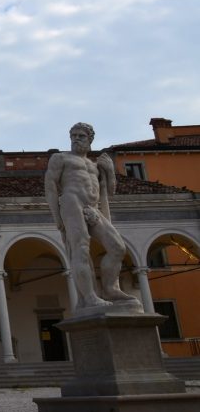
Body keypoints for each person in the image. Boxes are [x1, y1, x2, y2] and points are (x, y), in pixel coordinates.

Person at [44, 122, 136, 309]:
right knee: (81, 249)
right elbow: (50, 187)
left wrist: (110, 171)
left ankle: (110, 288)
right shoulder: (60, 158)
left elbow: (109, 193)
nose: (76, 139)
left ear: (90, 139)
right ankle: (89, 297)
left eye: (81, 136)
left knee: (118, 247)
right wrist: (58, 219)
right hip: (72, 202)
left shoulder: (95, 166)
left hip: (93, 208)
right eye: (73, 136)